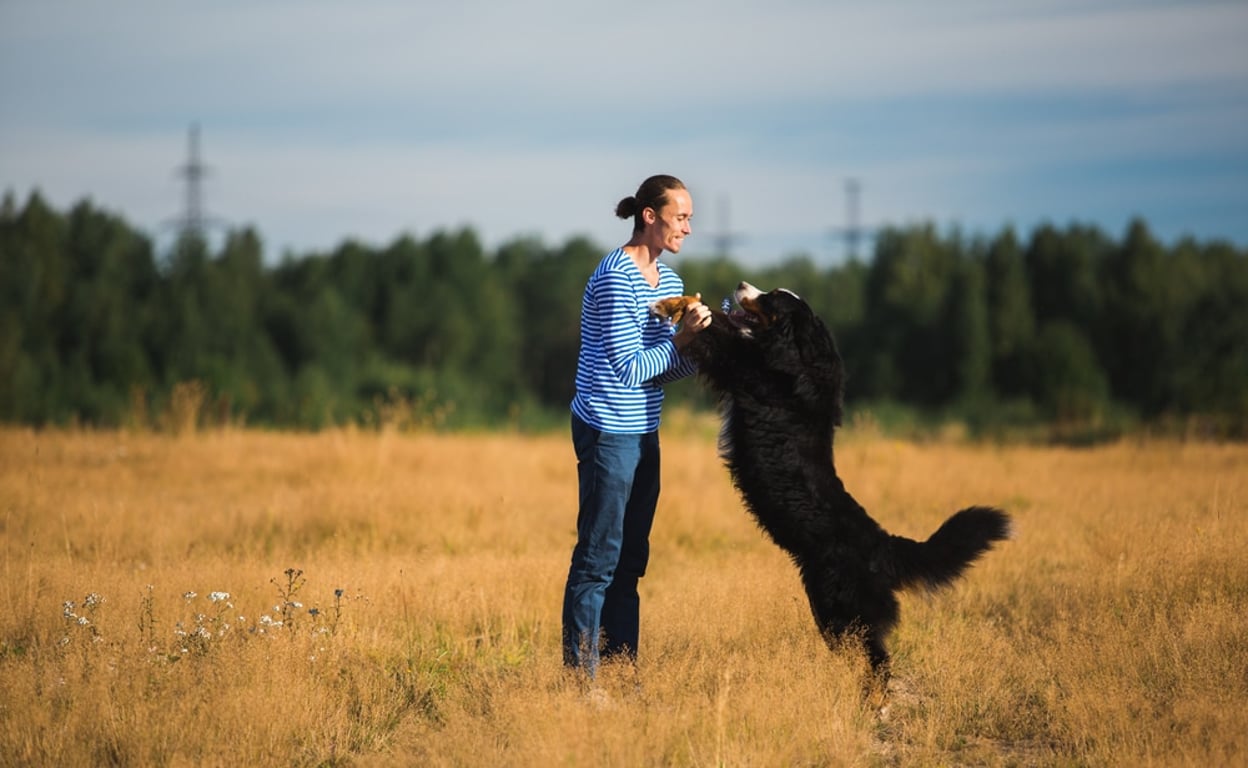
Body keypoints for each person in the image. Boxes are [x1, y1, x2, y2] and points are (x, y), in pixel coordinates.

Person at [561, 174, 711, 678]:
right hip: (607, 430)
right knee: (598, 560)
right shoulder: (614, 277)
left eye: (690, 218)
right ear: (650, 216)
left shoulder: (668, 284)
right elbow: (628, 367)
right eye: (682, 216)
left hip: (645, 431)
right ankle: (582, 683)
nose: (689, 228)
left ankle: (623, 677)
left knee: (631, 560)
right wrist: (681, 340)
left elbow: (662, 370)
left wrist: (702, 348)